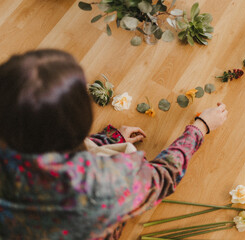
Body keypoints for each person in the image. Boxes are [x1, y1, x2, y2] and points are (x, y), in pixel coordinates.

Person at [0, 49, 228, 240]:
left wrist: (108, 140)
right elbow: (164, 176)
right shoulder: (105, 182)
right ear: (80, 120)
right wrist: (200, 128)